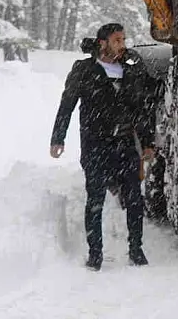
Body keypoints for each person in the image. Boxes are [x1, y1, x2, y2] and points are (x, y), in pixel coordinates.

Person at [50, 23, 156, 271]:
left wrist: (148, 142)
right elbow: (67, 104)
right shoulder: (84, 70)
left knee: (134, 198)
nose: (122, 44)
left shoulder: (130, 71)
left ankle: (136, 249)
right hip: (95, 144)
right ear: (103, 43)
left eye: (124, 40)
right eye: (117, 40)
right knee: (95, 198)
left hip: (125, 143)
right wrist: (58, 137)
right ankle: (95, 253)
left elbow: (141, 110)